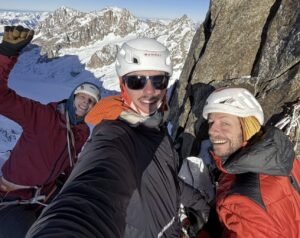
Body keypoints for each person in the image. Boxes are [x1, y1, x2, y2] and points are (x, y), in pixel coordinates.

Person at [26, 38, 210, 238]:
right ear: (123, 85)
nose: (149, 91)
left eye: (158, 80)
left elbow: (161, 176)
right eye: (137, 81)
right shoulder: (114, 132)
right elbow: (92, 188)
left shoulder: (154, 127)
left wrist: (199, 205)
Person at [0, 25, 101, 237]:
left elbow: (68, 163)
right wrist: (6, 54)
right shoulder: (42, 116)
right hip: (13, 198)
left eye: (91, 101)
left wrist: (67, 180)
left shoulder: (82, 132)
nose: (85, 103)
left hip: (46, 199)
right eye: (82, 96)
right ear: (73, 96)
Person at [201, 87, 300, 237]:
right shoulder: (279, 155)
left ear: (246, 126)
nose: (212, 131)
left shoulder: (242, 203)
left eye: (225, 123)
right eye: (211, 123)